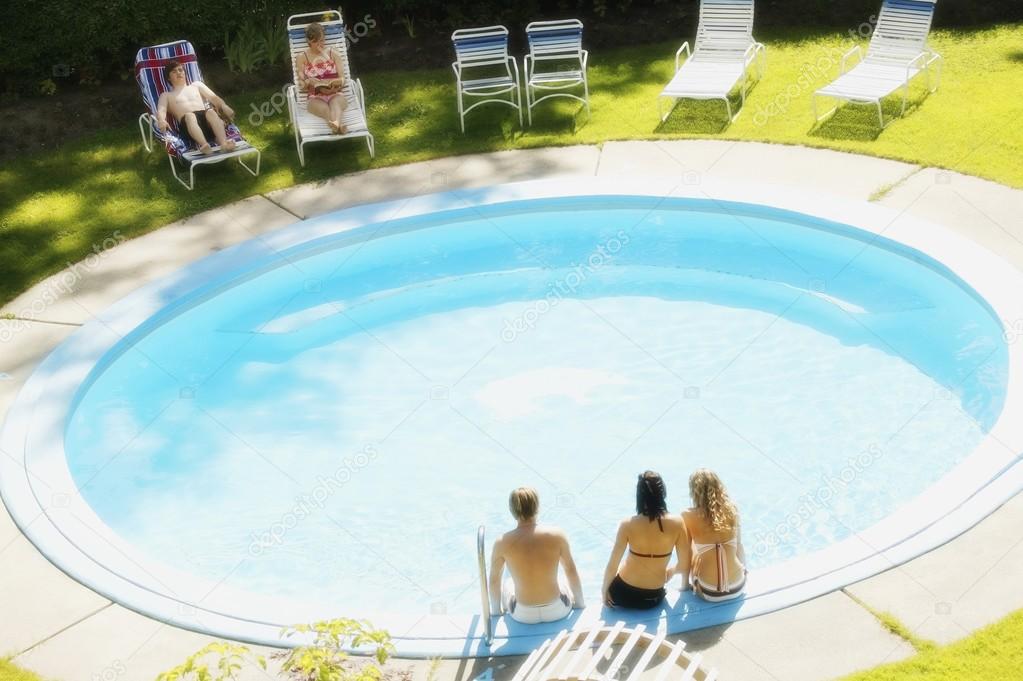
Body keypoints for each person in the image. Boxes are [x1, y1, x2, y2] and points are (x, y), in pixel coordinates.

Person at [488, 487, 585, 624]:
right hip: (557, 611)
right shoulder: (557, 535)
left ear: (512, 511)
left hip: (522, 615)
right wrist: (580, 605)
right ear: (537, 507)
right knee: (561, 578)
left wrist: (496, 613)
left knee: (507, 582)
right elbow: (571, 571)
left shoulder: (502, 542)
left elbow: (493, 581)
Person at [602, 471, 689, 610]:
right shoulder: (677, 523)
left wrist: (604, 592)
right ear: (663, 493)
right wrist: (668, 573)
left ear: (639, 496)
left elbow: (612, 565)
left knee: (623, 564)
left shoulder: (627, 524)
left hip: (621, 596)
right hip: (653, 598)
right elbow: (684, 565)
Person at [669, 469, 747, 602]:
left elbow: (685, 556)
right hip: (738, 586)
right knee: (730, 545)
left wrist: (685, 586)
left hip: (709, 592)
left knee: (693, 546)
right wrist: (744, 571)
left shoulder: (687, 515)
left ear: (694, 491)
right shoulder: (732, 509)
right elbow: (739, 547)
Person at [155, 61, 236, 155]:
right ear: (168, 78)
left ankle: (223, 143)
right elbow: (161, 109)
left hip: (208, 124)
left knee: (211, 112)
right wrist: (161, 120)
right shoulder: (166, 95)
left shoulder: (196, 85)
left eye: (180, 70)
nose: (178, 72)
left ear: (185, 73)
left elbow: (214, 98)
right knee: (190, 116)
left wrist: (224, 106)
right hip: (188, 128)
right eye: (174, 71)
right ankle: (204, 145)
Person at [296, 22, 349, 134]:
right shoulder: (302, 58)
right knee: (325, 108)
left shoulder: (333, 53)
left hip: (336, 94)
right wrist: (308, 81)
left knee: (335, 104)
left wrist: (335, 83)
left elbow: (343, 79)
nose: (321, 44)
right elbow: (302, 85)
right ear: (310, 41)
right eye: (317, 41)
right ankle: (339, 126)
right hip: (315, 97)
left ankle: (336, 126)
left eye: (323, 40)